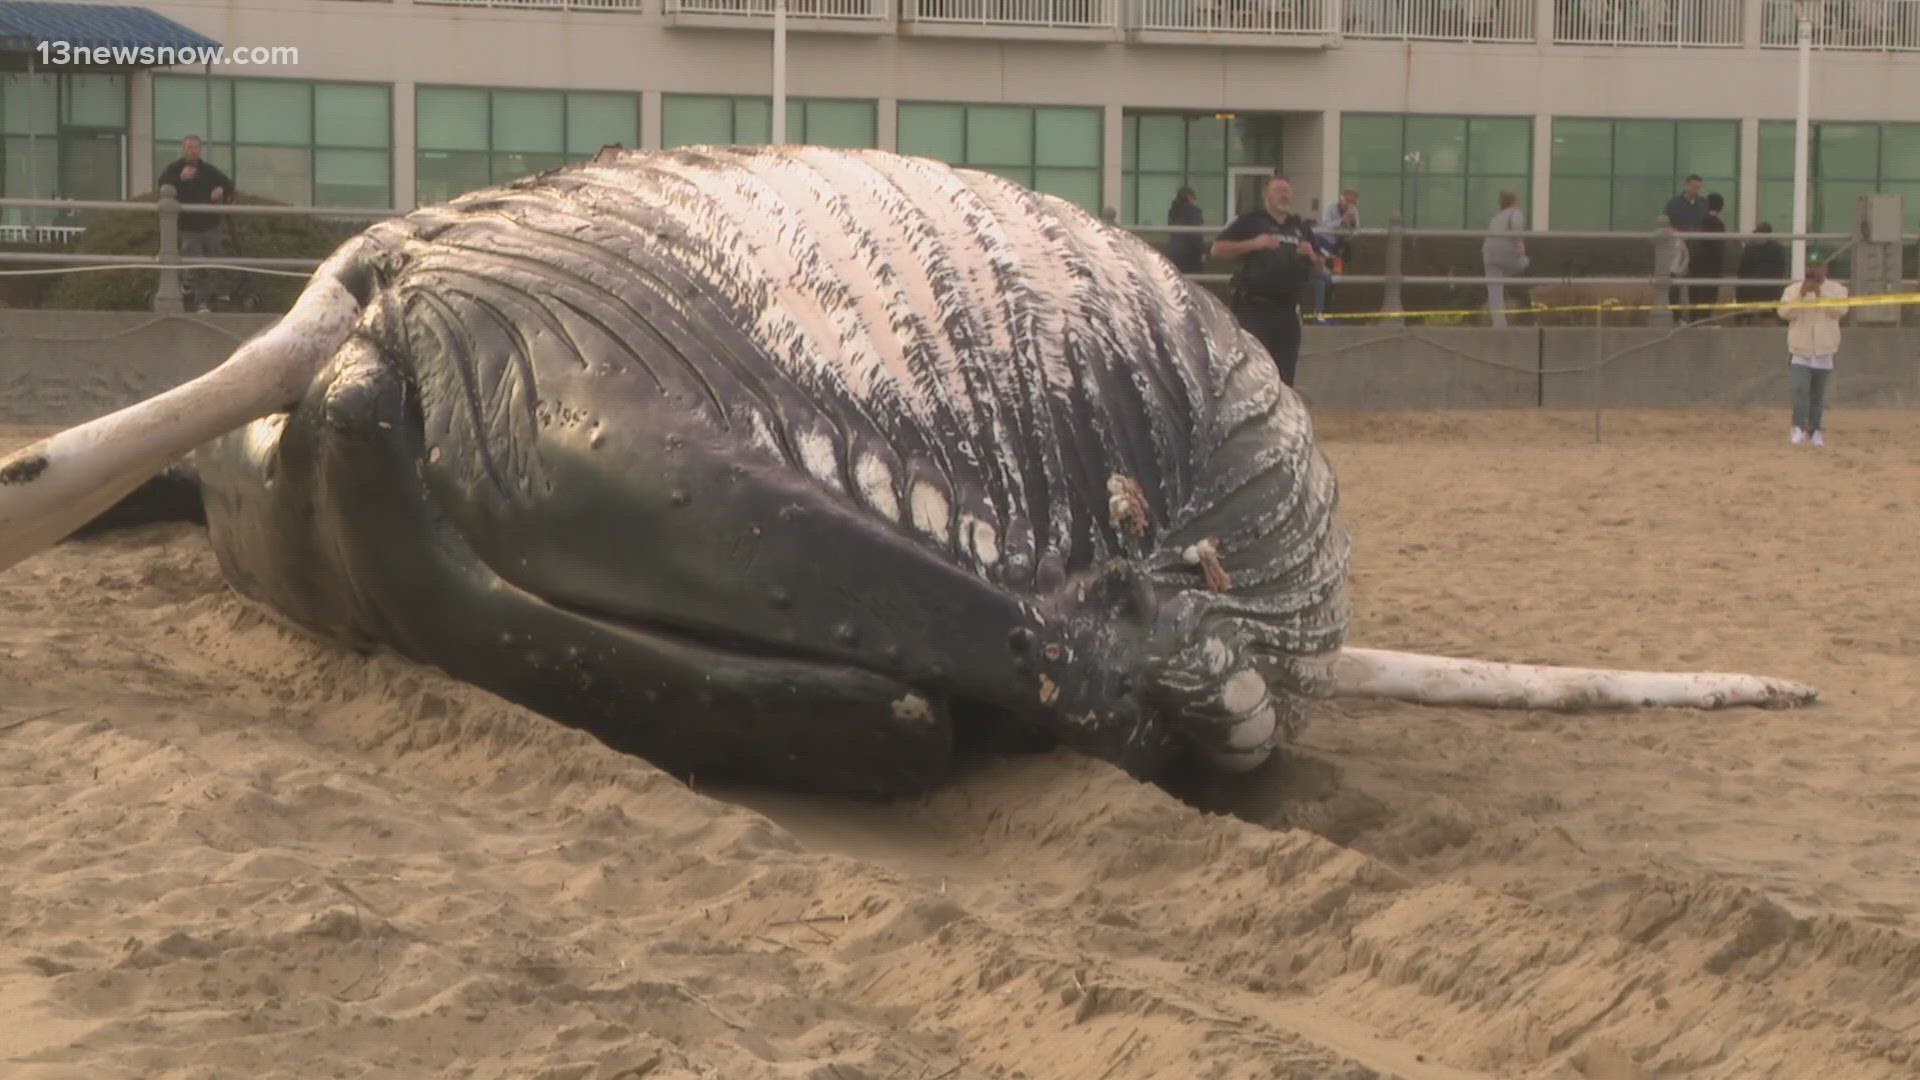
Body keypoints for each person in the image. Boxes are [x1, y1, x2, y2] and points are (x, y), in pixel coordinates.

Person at [1209, 174, 1323, 387]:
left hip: (1287, 311)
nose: (1284, 195)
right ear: (1266, 196)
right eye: (1279, 190)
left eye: (1287, 191)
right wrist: (1255, 243)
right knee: (1252, 372)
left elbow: (1320, 268)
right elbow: (1217, 250)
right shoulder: (1250, 222)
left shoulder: (1300, 227)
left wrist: (1312, 255)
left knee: (1284, 376)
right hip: (1254, 308)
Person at [1776, 253, 1848, 447]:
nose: (1813, 270)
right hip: (1801, 348)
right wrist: (1801, 294)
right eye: (1810, 265)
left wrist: (1821, 295)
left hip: (1825, 348)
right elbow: (1784, 313)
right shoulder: (1792, 290)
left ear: (1824, 268)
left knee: (1818, 394)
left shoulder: (1837, 290)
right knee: (1800, 390)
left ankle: (1814, 429)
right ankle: (1797, 427)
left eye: (1817, 266)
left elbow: (1840, 311)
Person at [156, 135, 231, 313]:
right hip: (189, 226)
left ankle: (203, 292)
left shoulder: (207, 169)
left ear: (200, 150)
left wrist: (221, 190)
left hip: (211, 224)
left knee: (214, 262)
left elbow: (228, 183)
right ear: (183, 149)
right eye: (189, 147)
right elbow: (162, 184)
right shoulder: (174, 169)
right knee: (198, 264)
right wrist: (181, 178)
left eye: (196, 147)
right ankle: (201, 301)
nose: (193, 151)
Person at [1480, 191, 1528, 327]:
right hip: (1505, 254)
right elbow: (1517, 230)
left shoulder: (1496, 217)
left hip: (1488, 255)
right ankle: (1507, 278)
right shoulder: (1515, 212)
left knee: (1494, 290)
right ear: (1514, 202)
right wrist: (1520, 246)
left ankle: (1499, 323)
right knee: (1525, 262)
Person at [1312, 188, 1358, 322]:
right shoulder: (1331, 209)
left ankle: (1327, 313)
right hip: (1324, 246)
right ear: (1341, 198)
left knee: (1334, 281)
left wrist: (1352, 223)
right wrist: (1342, 220)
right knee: (1323, 279)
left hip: (1337, 251)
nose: (1349, 204)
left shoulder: (1354, 212)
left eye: (1353, 202)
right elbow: (1326, 226)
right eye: (1347, 200)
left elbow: (1354, 232)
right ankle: (1319, 314)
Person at [1687, 192, 1729, 323]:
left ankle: (1693, 320)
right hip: (1711, 266)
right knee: (1708, 294)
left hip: (1694, 265)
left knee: (1695, 294)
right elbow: (1717, 247)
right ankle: (1704, 320)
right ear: (1721, 207)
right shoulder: (1717, 224)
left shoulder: (1697, 221)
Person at [1736, 222, 1788, 324]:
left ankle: (1765, 319)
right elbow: (1743, 269)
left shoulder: (1776, 249)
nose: (1758, 238)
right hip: (1752, 285)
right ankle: (1746, 319)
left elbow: (1780, 269)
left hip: (1769, 285)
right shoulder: (1750, 248)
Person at [1166, 185, 1207, 274]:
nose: (1194, 200)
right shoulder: (1194, 211)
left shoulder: (1173, 211)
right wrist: (1202, 251)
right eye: (1193, 198)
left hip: (1175, 251)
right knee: (1193, 280)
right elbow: (1196, 234)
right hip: (1190, 252)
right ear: (1189, 197)